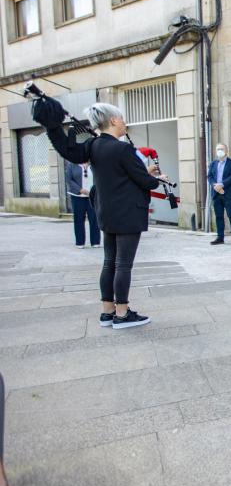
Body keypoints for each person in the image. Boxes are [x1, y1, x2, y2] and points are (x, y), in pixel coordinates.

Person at [35, 100, 164, 329]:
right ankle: (122, 314)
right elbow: (144, 181)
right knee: (123, 264)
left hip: (106, 212)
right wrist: (155, 178)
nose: (124, 122)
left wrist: (53, 127)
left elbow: (72, 152)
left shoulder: (93, 145)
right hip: (127, 214)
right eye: (122, 118)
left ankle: (108, 311)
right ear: (113, 120)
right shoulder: (122, 149)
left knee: (109, 262)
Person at [207, 143, 231, 246]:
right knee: (219, 216)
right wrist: (215, 185)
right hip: (216, 194)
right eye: (218, 149)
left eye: (221, 149)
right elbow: (210, 176)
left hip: (229, 194)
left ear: (226, 151)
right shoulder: (213, 164)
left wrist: (221, 185)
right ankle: (220, 237)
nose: (219, 151)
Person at [65, 161, 101, 248]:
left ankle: (95, 241)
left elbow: (100, 177)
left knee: (94, 218)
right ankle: (80, 242)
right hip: (77, 196)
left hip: (92, 196)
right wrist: (80, 190)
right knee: (79, 219)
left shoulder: (95, 164)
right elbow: (69, 179)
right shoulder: (72, 165)